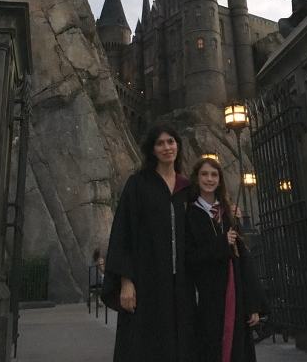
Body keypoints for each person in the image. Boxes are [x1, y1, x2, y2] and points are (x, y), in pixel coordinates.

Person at [102, 125, 197, 362]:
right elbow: (123, 232)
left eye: (171, 142)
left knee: (179, 343)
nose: (167, 147)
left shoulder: (186, 188)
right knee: (144, 345)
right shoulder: (138, 184)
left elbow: (199, 230)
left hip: (180, 284)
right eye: (160, 143)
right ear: (152, 150)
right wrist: (126, 281)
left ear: (178, 145)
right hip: (146, 281)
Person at [186, 157, 266, 362]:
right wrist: (221, 243)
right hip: (209, 294)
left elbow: (244, 259)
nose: (209, 179)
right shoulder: (191, 214)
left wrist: (253, 304)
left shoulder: (228, 212)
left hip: (234, 286)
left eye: (214, 175)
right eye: (204, 174)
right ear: (197, 178)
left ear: (220, 180)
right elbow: (191, 256)